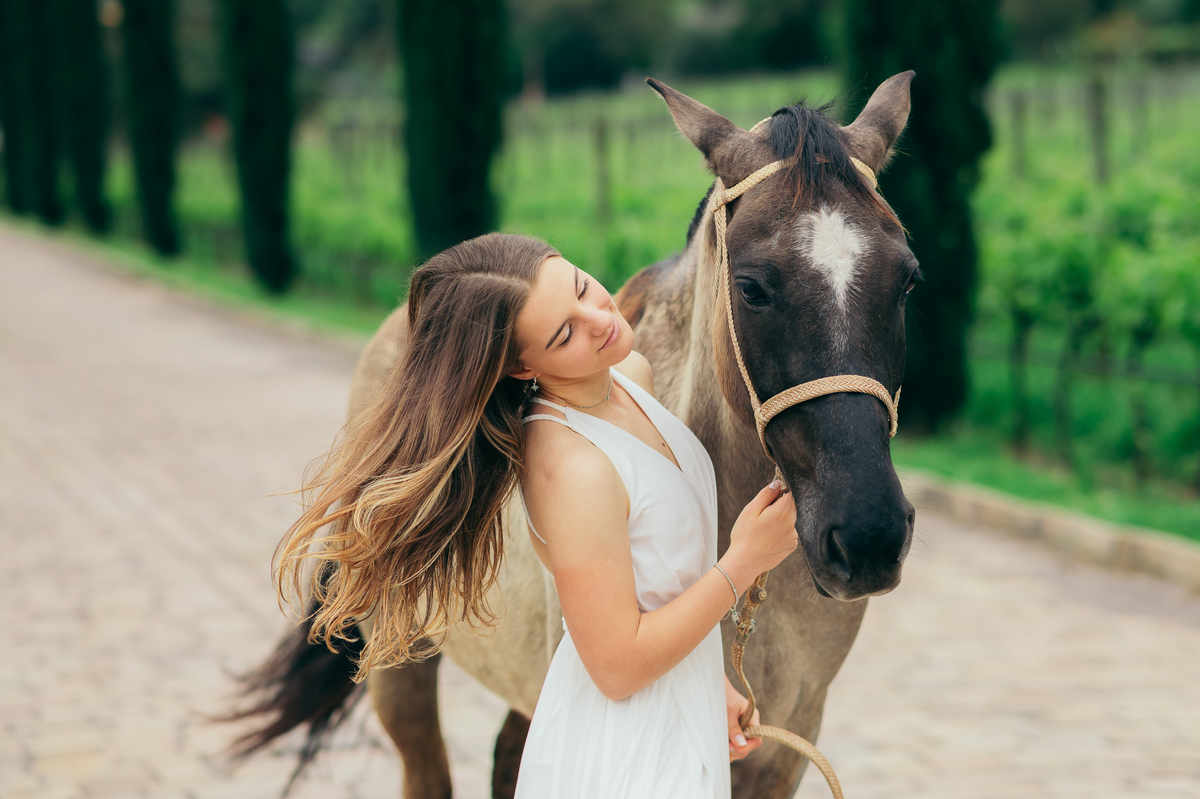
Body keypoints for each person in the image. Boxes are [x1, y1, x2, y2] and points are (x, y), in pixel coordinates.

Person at [275, 233, 798, 798]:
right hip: (624, 759)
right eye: (564, 333)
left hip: (674, 722)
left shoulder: (631, 378)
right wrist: (744, 561)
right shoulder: (570, 467)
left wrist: (704, 682)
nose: (598, 319)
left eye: (580, 287)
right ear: (524, 367)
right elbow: (617, 665)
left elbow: (652, 581)